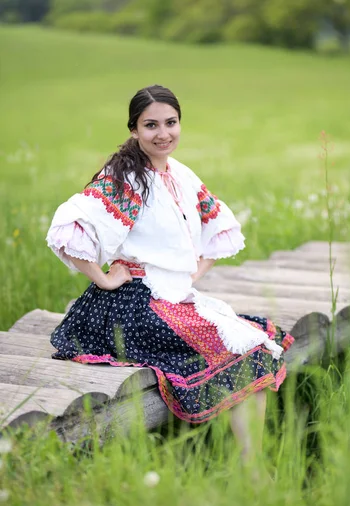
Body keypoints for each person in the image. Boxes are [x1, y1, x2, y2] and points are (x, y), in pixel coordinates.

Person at [46, 84, 294, 461]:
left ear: (180, 123)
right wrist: (105, 278)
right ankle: (253, 470)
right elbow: (67, 228)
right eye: (151, 125)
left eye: (171, 122)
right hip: (132, 305)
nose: (163, 133)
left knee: (253, 341)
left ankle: (250, 468)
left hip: (171, 295)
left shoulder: (180, 174)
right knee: (244, 348)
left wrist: (190, 274)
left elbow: (219, 226)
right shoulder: (126, 177)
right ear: (134, 130)